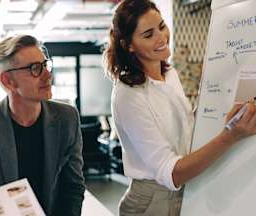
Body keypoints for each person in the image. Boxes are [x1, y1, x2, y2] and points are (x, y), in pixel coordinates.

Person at [103, 0, 256, 215]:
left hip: (185, 189)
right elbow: (171, 172)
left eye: (162, 26)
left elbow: (182, 125)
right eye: (148, 35)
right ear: (128, 45)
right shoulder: (128, 95)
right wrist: (230, 135)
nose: (162, 38)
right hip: (153, 200)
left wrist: (210, 106)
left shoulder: (169, 73)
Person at [0, 35, 85, 216]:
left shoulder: (67, 118)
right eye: (35, 68)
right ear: (8, 81)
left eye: (45, 65)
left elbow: (73, 187)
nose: (47, 75)